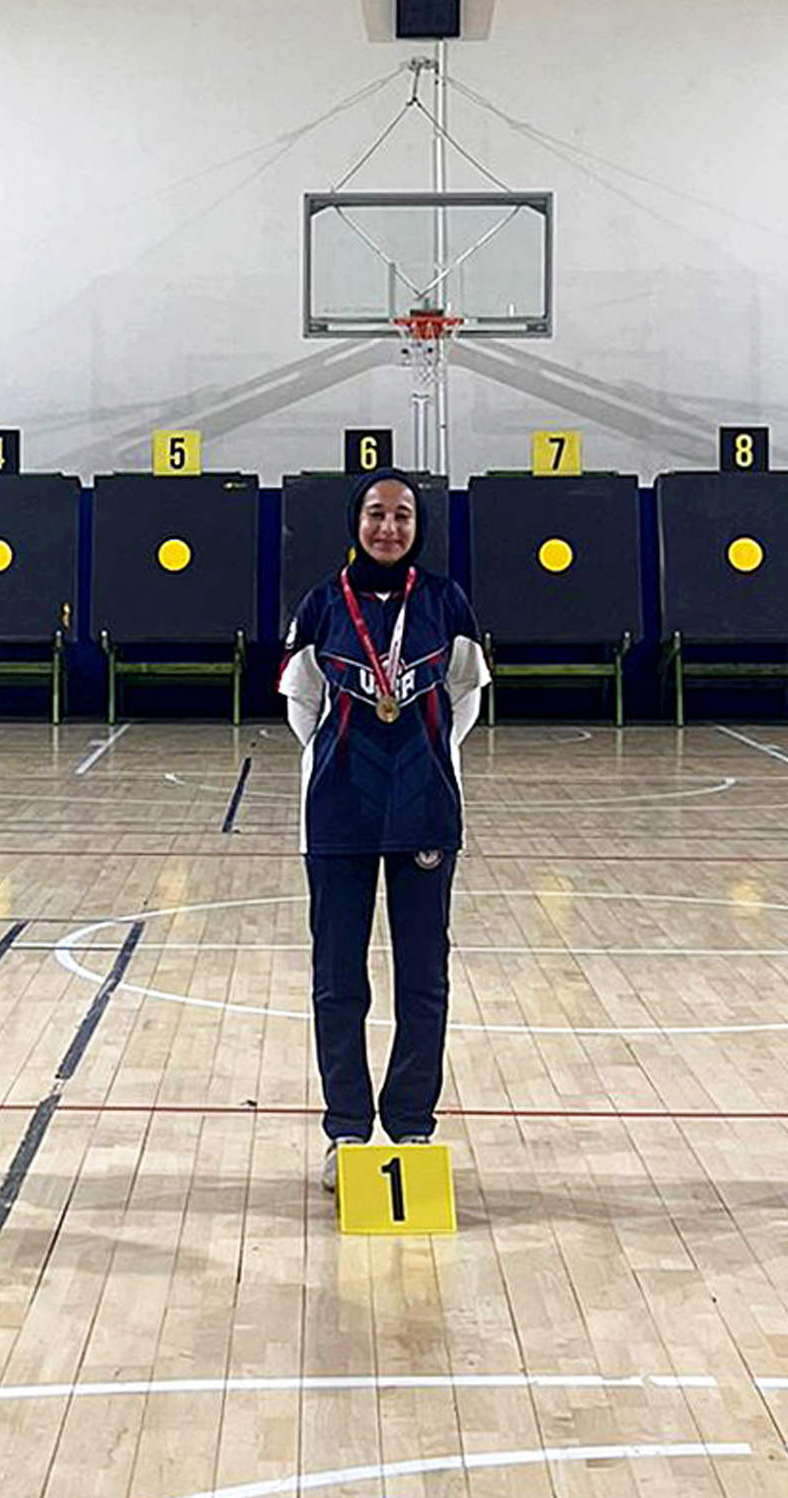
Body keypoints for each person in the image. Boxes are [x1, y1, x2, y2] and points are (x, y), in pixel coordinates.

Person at [278, 472, 490, 1191]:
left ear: (418, 525)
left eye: (402, 515)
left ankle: (411, 1124)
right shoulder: (321, 605)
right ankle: (346, 1127)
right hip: (337, 809)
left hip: (425, 808)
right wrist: (340, 762)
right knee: (338, 979)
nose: (388, 528)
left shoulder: (444, 601)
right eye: (376, 514)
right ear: (356, 521)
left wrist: (428, 760)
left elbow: (465, 694)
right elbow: (302, 705)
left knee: (423, 977)